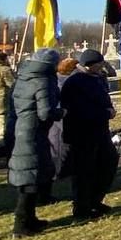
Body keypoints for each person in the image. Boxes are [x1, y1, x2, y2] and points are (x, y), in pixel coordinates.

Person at [8, 48, 62, 237]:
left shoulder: (23, 77)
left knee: (31, 173)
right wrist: (61, 112)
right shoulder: (42, 81)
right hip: (34, 131)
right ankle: (21, 224)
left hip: (21, 127)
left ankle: (30, 218)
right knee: (30, 177)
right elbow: (45, 112)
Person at [60, 49, 119, 221]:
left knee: (108, 163)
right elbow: (79, 110)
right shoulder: (75, 82)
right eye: (99, 64)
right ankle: (82, 207)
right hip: (82, 132)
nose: (102, 67)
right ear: (89, 65)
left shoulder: (96, 78)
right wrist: (105, 113)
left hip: (100, 130)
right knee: (84, 170)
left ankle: (95, 200)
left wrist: (109, 109)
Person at [47, 57, 78, 190]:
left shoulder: (60, 79)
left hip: (63, 116)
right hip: (60, 117)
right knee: (58, 145)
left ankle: (63, 170)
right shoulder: (62, 82)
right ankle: (57, 172)